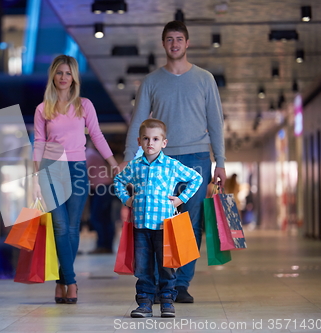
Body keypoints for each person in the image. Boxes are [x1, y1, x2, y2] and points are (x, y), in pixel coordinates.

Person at [118, 20, 226, 303]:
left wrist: (221, 162)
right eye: (169, 39)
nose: (175, 44)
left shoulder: (204, 79)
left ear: (187, 43)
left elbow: (216, 123)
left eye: (179, 39)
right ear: (163, 44)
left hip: (197, 159)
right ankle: (155, 285)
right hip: (158, 160)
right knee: (156, 223)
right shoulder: (152, 81)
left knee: (191, 224)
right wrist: (130, 162)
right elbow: (138, 124)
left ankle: (180, 284)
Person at [32, 55, 119, 304]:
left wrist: (112, 163)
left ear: (74, 78)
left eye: (68, 73)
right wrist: (36, 176)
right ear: (53, 76)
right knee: (60, 226)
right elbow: (39, 142)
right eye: (59, 73)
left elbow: (97, 135)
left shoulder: (84, 105)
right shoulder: (43, 109)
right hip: (51, 169)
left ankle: (62, 281)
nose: (63, 77)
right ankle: (71, 282)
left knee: (72, 227)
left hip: (77, 170)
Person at [114, 119, 203, 318]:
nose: (150, 143)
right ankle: (144, 303)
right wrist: (127, 200)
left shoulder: (171, 165)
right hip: (140, 227)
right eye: (146, 138)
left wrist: (181, 199)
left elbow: (196, 178)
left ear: (164, 143)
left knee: (167, 266)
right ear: (139, 141)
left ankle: (167, 302)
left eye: (155, 139)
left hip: (165, 227)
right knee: (143, 267)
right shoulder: (135, 166)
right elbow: (118, 180)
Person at [85, 141, 116, 254]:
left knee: (97, 218)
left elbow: (83, 172)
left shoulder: (89, 154)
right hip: (106, 187)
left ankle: (102, 245)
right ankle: (107, 246)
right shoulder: (94, 154)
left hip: (101, 188)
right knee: (105, 218)